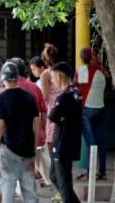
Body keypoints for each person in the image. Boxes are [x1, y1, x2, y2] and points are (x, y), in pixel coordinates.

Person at [0, 62, 39, 203]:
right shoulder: (30, 97)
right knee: (29, 188)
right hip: (27, 149)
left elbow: (0, 124)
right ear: (18, 78)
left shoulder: (0, 99)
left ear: (4, 79)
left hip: (8, 149)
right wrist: (35, 147)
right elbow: (37, 124)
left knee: (7, 186)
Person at [12, 57, 51, 187]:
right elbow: (44, 111)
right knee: (46, 167)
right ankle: (58, 189)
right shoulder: (34, 87)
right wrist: (43, 130)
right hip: (36, 133)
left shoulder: (9, 88)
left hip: (17, 136)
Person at [49, 62, 82, 203]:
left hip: (63, 141)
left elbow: (52, 115)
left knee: (63, 181)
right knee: (55, 176)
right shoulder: (75, 92)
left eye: (52, 77)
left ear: (58, 76)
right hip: (69, 140)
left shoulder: (65, 96)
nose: (51, 80)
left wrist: (59, 117)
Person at [74, 47, 107, 181]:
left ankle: (90, 173)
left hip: (87, 108)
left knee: (90, 143)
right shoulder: (101, 70)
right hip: (101, 108)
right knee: (101, 141)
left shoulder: (82, 70)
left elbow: (75, 88)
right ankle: (102, 172)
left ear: (82, 58)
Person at [40, 43, 62, 152]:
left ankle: (53, 167)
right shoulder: (64, 71)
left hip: (53, 108)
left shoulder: (46, 74)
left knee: (51, 141)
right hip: (65, 106)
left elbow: (45, 96)